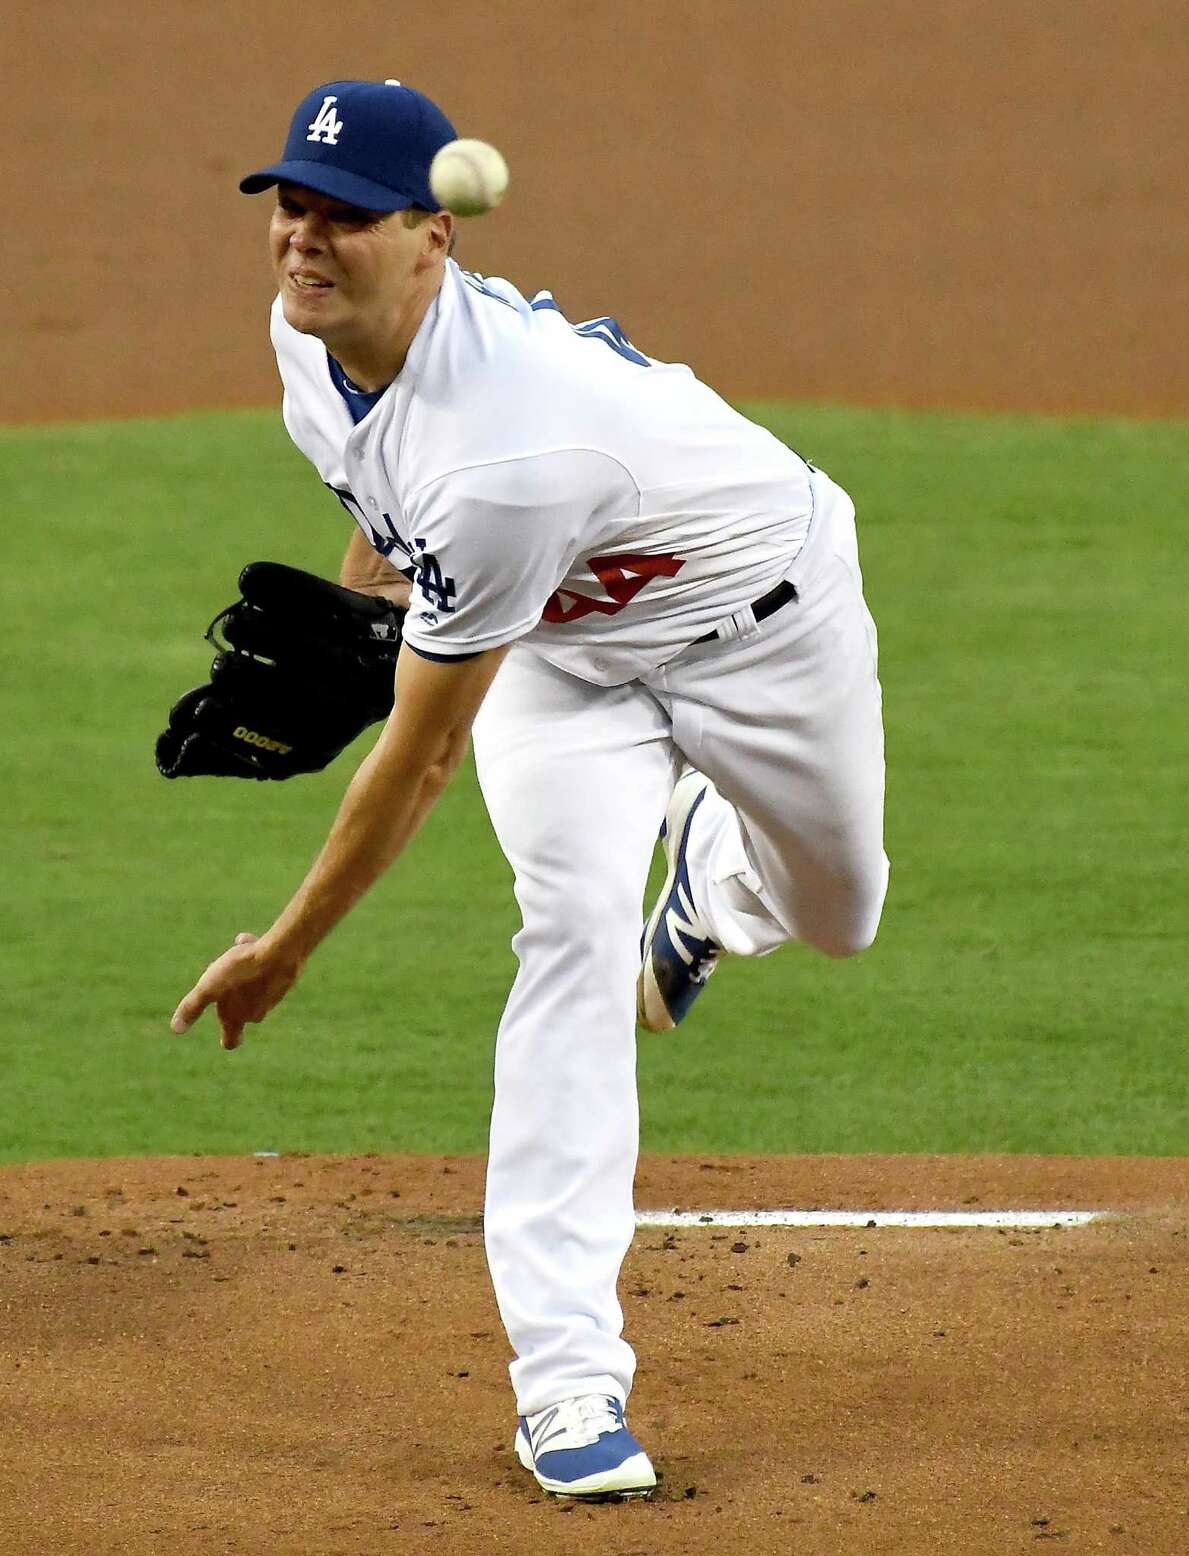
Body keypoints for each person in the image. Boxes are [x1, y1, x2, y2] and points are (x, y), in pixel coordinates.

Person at [171, 78, 889, 1501]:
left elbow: (425, 756)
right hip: (561, 653)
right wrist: (366, 614)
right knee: (567, 940)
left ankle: (708, 892)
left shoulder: (513, 449)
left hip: (768, 622)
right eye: (292, 209)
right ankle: (569, 1388)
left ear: (431, 238)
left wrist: (284, 948)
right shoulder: (306, 342)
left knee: (842, 909)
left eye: (348, 219)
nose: (305, 245)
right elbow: (386, 508)